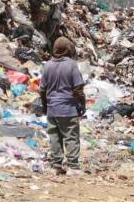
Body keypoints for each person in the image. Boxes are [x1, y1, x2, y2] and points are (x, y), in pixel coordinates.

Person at [40, 37, 86, 174]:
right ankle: (73, 166)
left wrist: (45, 106)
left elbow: (42, 89)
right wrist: (82, 105)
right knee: (71, 136)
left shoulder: (47, 65)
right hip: (68, 108)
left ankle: (56, 166)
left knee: (55, 137)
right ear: (69, 49)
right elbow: (78, 89)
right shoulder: (71, 64)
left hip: (52, 108)